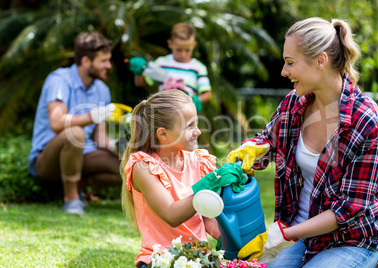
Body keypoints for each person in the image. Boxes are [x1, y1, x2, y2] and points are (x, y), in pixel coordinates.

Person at [228, 17, 378, 267]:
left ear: (320, 61)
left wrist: (284, 234)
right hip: (299, 235)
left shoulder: (367, 121)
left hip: (350, 239)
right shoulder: (295, 103)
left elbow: (349, 209)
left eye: (290, 63)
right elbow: (267, 142)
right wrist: (249, 151)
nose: (284, 72)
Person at [120, 90, 246, 268]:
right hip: (158, 260)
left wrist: (239, 243)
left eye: (196, 123)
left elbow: (209, 221)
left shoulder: (198, 161)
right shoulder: (143, 166)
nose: (198, 131)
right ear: (163, 134)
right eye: (190, 126)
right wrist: (209, 185)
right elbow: (172, 214)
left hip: (198, 259)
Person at [28, 32, 126, 215]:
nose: (108, 66)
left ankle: (81, 186)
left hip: (82, 156)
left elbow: (99, 136)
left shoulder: (102, 90)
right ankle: (71, 199)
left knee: (127, 165)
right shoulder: (59, 80)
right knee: (76, 133)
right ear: (86, 61)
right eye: (103, 61)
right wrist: (91, 116)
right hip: (48, 159)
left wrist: (116, 146)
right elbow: (57, 122)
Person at [130, 22, 212, 113]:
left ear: (194, 45)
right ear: (170, 44)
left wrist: (196, 100)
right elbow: (140, 83)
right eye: (179, 50)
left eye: (187, 50)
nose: (183, 54)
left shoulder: (198, 67)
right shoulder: (161, 63)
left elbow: (207, 94)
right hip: (164, 113)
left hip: (186, 115)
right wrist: (139, 72)